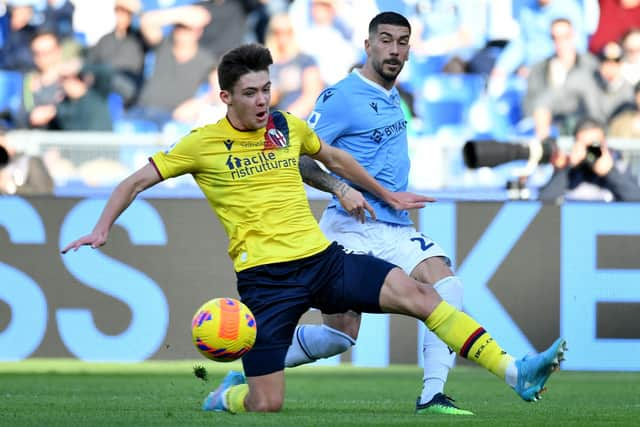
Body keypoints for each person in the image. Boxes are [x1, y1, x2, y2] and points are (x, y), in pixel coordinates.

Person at [61, 42, 566, 414]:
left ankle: (514, 372)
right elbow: (135, 180)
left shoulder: (285, 126)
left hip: (322, 260)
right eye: (250, 93)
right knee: (266, 403)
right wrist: (102, 228)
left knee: (424, 295)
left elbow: (335, 157)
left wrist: (381, 193)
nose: (262, 102)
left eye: (266, 89)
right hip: (266, 282)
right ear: (224, 97)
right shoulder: (200, 145)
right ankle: (226, 396)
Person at [282, 10, 468, 416]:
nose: (394, 49)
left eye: (402, 42)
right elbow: (298, 157)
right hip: (349, 229)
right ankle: (254, 367)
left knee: (449, 286)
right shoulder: (342, 96)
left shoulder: (393, 94)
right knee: (340, 338)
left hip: (393, 227)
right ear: (367, 45)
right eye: (385, 40)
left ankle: (432, 395)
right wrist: (340, 187)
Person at [538, 117, 640, 202]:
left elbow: (635, 201)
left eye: (594, 145)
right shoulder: (570, 172)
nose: (590, 151)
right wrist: (567, 168)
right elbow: (544, 202)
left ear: (604, 144)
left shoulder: (619, 166)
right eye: (584, 145)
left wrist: (610, 172)